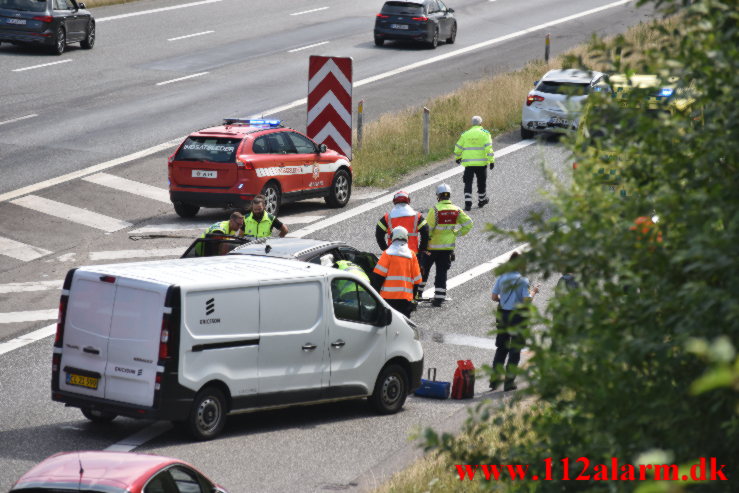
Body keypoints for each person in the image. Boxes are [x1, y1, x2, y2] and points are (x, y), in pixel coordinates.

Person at [490, 251, 539, 392]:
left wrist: (504, 300)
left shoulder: (502, 277)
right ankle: (509, 383)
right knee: (515, 350)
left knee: (501, 348)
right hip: (518, 318)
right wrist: (534, 292)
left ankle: (493, 381)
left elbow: (494, 297)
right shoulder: (523, 280)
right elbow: (526, 300)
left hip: (503, 316)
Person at [418, 183, 473, 307]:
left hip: (431, 248)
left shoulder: (435, 210)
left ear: (438, 196)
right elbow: (469, 223)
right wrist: (456, 234)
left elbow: (428, 229)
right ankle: (439, 298)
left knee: (424, 271)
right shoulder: (456, 210)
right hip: (447, 249)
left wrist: (424, 243)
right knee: (442, 273)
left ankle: (418, 294)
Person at [371, 226, 422, 318]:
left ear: (392, 238)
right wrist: (413, 298)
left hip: (387, 298)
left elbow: (378, 277)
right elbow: (417, 280)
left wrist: (375, 296)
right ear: (407, 238)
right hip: (405, 299)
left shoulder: (387, 254)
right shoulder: (411, 255)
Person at [454, 115, 495, 211]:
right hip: (481, 164)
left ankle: (468, 203)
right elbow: (488, 148)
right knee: (481, 182)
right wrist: (491, 161)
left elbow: (458, 147)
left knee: (468, 182)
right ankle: (481, 200)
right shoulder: (485, 134)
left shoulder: (465, 134)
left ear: (472, 124)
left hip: (468, 164)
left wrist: (458, 157)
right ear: (481, 123)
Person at [375, 190, 430, 255]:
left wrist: (385, 249)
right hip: (413, 254)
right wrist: (422, 249)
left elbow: (379, 234)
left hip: (393, 254)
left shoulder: (387, 217)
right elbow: (425, 231)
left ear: (394, 201)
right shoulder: (416, 216)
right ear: (408, 200)